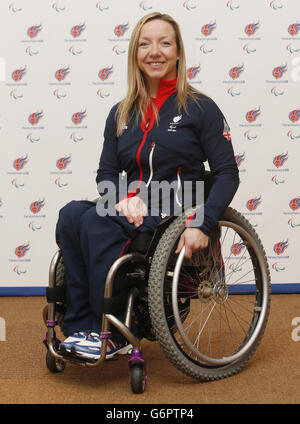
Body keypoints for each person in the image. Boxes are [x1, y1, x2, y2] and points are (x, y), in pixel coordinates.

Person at [56, 12, 239, 360]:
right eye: (145, 44)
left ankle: (113, 331)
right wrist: (125, 198)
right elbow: (106, 172)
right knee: (70, 215)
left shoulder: (200, 108)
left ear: (178, 53)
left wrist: (204, 221)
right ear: (135, 54)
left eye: (165, 43)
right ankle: (80, 326)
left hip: (179, 207)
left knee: (96, 222)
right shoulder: (121, 112)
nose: (155, 51)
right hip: (135, 204)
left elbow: (228, 172)